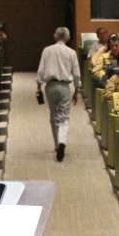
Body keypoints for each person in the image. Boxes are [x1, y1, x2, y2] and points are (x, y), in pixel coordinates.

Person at [37, 27, 80, 162]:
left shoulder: (47, 50)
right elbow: (76, 73)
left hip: (50, 86)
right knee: (64, 117)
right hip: (64, 86)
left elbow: (41, 70)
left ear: (55, 36)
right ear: (68, 38)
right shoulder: (71, 52)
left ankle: (57, 145)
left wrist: (38, 86)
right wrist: (77, 89)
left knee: (53, 115)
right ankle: (62, 141)